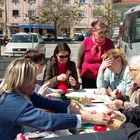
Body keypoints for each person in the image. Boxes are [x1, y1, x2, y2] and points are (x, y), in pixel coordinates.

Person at [0, 58, 111, 140]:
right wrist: (91, 117)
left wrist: (81, 112)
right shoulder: (12, 103)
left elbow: (47, 103)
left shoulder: (20, 91)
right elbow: (48, 120)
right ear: (22, 81)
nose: (36, 82)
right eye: (32, 79)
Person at [77, 19, 114, 88]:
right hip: (87, 77)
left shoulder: (109, 43)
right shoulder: (86, 42)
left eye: (105, 32)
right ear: (93, 32)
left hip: (103, 77)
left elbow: (115, 58)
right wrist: (79, 77)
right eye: (100, 32)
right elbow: (79, 63)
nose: (103, 35)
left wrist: (109, 57)